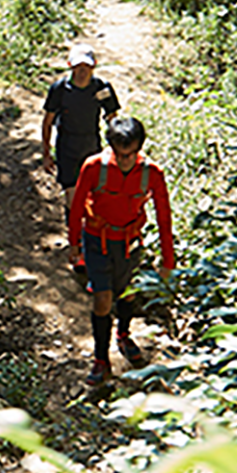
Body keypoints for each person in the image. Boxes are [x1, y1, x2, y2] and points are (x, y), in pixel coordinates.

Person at [67, 117, 176, 385]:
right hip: (96, 239)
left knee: (127, 295)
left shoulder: (153, 174)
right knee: (102, 299)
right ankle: (100, 359)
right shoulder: (94, 167)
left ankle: (124, 334)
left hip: (129, 243)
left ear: (140, 148)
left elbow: (164, 217)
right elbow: (78, 205)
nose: (125, 160)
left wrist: (168, 259)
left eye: (130, 154)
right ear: (111, 147)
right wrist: (73, 243)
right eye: (120, 153)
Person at [40, 44, 122, 270]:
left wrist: (117, 149)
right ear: (70, 66)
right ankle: (76, 246)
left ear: (94, 66)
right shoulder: (59, 89)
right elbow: (47, 121)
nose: (82, 70)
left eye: (86, 66)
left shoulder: (102, 88)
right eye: (78, 66)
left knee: (93, 198)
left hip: (92, 146)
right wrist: (46, 153)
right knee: (73, 199)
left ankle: (91, 243)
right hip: (67, 147)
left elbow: (112, 118)